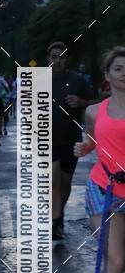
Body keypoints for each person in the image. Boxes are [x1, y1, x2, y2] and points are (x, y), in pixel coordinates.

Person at [75, 47, 125, 273]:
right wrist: (84, 149)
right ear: (107, 75)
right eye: (118, 68)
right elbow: (92, 142)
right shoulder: (95, 111)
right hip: (103, 188)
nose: (124, 73)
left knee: (119, 263)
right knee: (116, 260)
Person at [49, 42, 95, 241]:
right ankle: (55, 220)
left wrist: (82, 102)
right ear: (48, 58)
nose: (57, 60)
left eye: (61, 56)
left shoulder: (77, 80)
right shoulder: (38, 79)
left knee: (65, 183)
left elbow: (97, 101)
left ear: (67, 60)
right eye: (54, 56)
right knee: (53, 179)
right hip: (46, 138)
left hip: (70, 138)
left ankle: (58, 216)